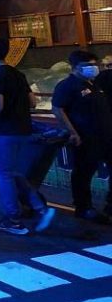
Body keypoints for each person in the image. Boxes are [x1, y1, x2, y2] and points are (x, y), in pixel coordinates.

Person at [0, 37, 56, 235]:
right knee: (14, 172)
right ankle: (40, 208)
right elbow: (33, 102)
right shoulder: (18, 74)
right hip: (23, 131)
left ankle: (13, 219)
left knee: (3, 175)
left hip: (4, 132)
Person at [51, 50, 112, 223]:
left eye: (94, 64)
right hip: (85, 137)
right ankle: (84, 207)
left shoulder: (95, 84)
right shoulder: (67, 85)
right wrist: (72, 132)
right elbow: (58, 109)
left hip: (105, 135)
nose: (92, 68)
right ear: (75, 67)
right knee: (84, 173)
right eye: (87, 65)